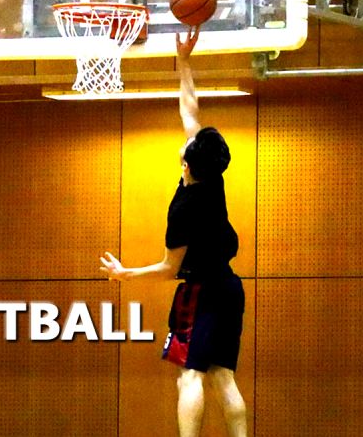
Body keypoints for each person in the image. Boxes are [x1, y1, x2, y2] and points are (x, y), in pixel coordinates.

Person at [100, 26, 247, 437]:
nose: (187, 139)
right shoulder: (212, 176)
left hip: (200, 292)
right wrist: (184, 63)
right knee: (223, 377)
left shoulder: (182, 209)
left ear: (185, 163)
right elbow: (190, 110)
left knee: (191, 376)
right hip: (230, 288)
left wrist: (127, 275)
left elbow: (169, 268)